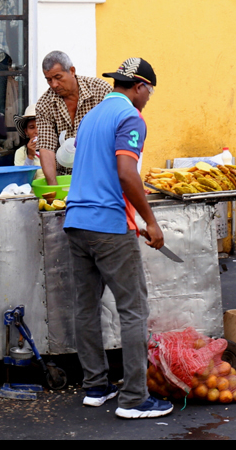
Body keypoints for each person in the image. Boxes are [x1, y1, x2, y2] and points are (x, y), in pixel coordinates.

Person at [64, 57, 173, 420]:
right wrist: (151, 222)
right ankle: (134, 398)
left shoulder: (92, 116)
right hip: (108, 225)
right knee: (133, 309)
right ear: (140, 87)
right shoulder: (130, 117)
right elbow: (127, 173)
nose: (148, 99)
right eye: (149, 92)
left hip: (76, 221)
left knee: (86, 307)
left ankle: (96, 386)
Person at [35, 50, 112, 184]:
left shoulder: (101, 91)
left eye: (58, 77)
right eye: (49, 80)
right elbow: (47, 148)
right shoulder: (44, 104)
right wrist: (53, 186)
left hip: (100, 174)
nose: (54, 84)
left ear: (72, 71)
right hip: (65, 178)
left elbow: (115, 135)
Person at [12, 105, 39, 169]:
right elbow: (22, 174)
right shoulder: (21, 152)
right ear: (26, 131)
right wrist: (30, 156)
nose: (37, 131)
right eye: (32, 127)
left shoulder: (54, 149)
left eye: (40, 126)